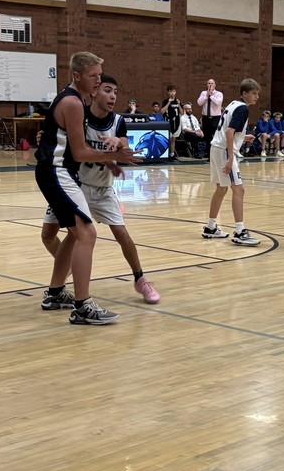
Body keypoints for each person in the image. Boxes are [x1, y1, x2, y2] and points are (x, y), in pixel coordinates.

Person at [34, 50, 134, 325]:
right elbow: (79, 153)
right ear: (77, 75)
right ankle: (83, 306)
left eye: (99, 76)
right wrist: (113, 157)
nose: (97, 81)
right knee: (87, 233)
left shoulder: (73, 98)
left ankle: (55, 293)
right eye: (93, 76)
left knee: (75, 234)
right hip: (57, 173)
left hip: (57, 172)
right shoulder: (74, 103)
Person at [41, 75, 160, 304]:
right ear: (95, 92)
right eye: (107, 90)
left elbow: (124, 145)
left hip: (103, 189)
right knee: (48, 235)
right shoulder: (79, 113)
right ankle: (71, 269)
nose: (113, 95)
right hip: (76, 185)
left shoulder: (118, 121)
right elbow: (74, 146)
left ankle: (141, 279)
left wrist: (118, 144)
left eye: (115, 91)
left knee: (121, 234)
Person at [202, 78, 261, 246]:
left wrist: (241, 138)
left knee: (221, 189)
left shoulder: (233, 104)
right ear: (245, 93)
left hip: (215, 147)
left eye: (257, 94)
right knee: (239, 189)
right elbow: (229, 132)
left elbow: (229, 130)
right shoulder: (243, 109)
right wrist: (230, 158)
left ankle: (211, 227)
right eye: (254, 93)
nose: (256, 97)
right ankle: (240, 232)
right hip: (223, 150)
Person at [197, 77, 224, 144]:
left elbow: (218, 103)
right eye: (209, 83)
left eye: (212, 83)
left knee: (215, 135)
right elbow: (199, 103)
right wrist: (206, 96)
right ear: (207, 85)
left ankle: (215, 152)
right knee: (207, 136)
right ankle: (207, 152)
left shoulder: (219, 94)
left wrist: (211, 95)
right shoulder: (203, 93)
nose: (210, 85)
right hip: (205, 117)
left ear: (215, 85)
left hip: (215, 117)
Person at [161, 85, 181, 161]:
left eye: (174, 91)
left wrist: (179, 105)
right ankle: (166, 154)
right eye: (171, 91)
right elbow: (162, 111)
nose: (172, 93)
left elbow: (182, 112)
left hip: (176, 121)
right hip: (168, 121)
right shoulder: (165, 101)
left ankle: (172, 154)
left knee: (173, 139)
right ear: (168, 92)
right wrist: (169, 103)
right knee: (168, 138)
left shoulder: (178, 101)